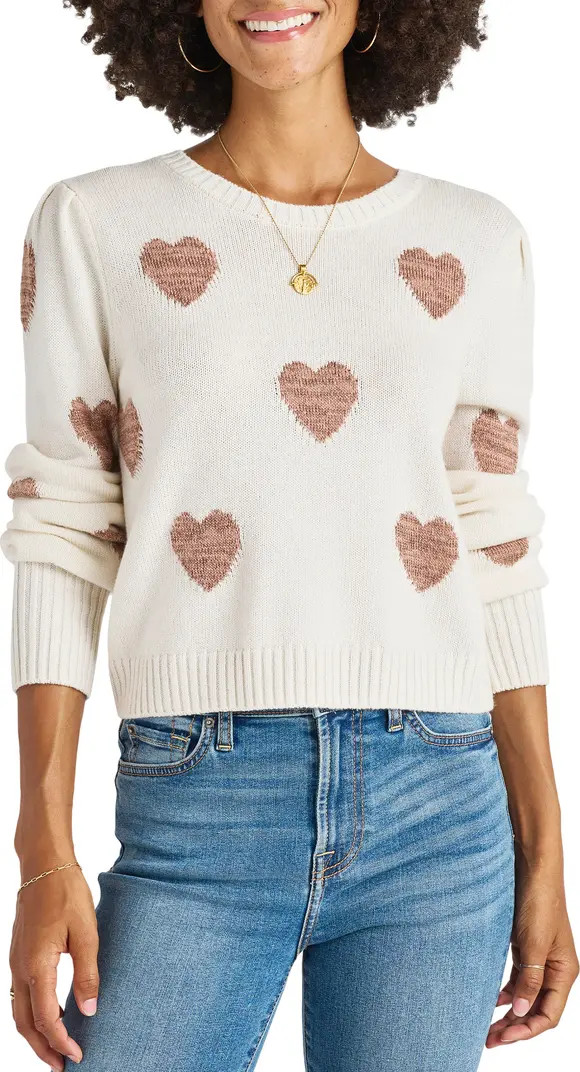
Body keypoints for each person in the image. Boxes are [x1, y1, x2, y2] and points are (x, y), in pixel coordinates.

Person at [3, 2, 577, 1070]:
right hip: (196, 799)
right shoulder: (94, 222)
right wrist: (43, 847)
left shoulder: (475, 236)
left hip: (441, 804)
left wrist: (545, 851)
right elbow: (63, 525)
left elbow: (493, 535)